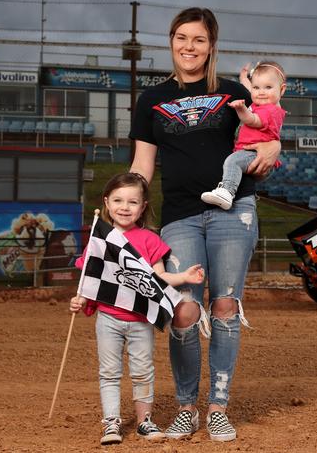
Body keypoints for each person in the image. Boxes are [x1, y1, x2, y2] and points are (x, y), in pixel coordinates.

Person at [129, 7, 280, 442]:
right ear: (171, 41)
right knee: (183, 309)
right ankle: (185, 408)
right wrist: (125, 205)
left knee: (226, 306)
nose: (188, 47)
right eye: (181, 37)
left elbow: (266, 127)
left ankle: (217, 407)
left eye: (198, 39)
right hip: (179, 215)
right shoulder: (151, 99)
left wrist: (274, 145)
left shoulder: (234, 91)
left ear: (211, 45)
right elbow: (143, 163)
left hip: (235, 211)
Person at [69, 173, 205, 446]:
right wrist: (81, 299)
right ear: (106, 203)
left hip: (141, 318)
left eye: (132, 201)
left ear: (143, 207)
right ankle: (111, 422)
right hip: (108, 317)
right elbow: (91, 276)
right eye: (118, 200)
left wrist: (184, 278)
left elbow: (159, 278)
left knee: (143, 371)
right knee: (109, 371)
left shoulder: (150, 240)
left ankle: (144, 421)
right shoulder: (100, 240)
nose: (124, 207)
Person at [200, 61, 286, 210]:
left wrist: (241, 109)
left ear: (282, 89)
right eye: (256, 87)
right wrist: (244, 78)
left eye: (268, 87)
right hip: (249, 152)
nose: (261, 92)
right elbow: (250, 89)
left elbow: (252, 120)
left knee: (232, 162)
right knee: (234, 162)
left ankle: (227, 192)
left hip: (256, 154)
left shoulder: (271, 110)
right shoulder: (262, 102)